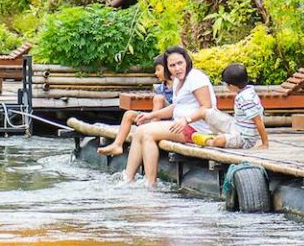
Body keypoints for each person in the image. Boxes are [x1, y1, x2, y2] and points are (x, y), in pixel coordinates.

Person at [123, 46, 214, 187]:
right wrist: (150, 115)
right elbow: (176, 107)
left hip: (197, 129)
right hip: (181, 124)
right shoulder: (177, 80)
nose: (177, 68)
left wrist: (186, 120)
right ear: (167, 67)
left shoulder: (196, 78)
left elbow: (206, 107)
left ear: (187, 61)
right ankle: (128, 178)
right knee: (140, 130)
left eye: (180, 63)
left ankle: (150, 182)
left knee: (147, 133)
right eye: (172, 65)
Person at [100, 53, 169, 156]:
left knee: (158, 98)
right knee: (129, 114)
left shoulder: (178, 85)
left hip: (169, 121)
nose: (156, 73)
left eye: (158, 70)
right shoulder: (160, 87)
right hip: (156, 119)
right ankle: (117, 145)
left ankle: (150, 132)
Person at [212, 62, 269, 151]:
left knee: (218, 141)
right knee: (210, 114)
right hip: (237, 127)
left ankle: (208, 141)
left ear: (231, 85)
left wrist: (265, 143)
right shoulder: (247, 91)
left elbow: (258, 121)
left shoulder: (246, 99)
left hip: (244, 139)